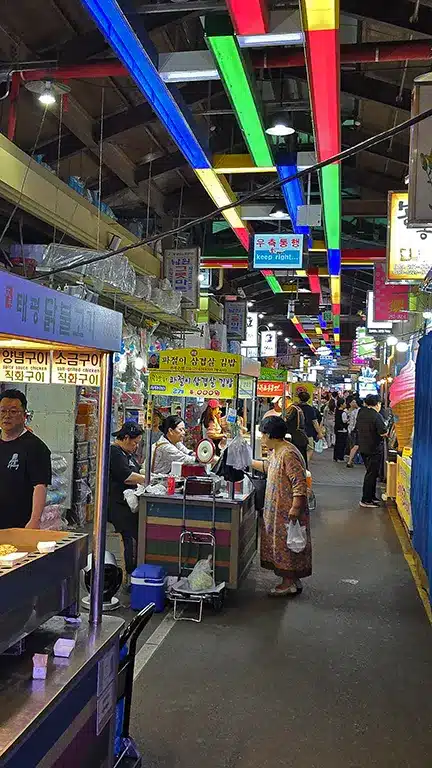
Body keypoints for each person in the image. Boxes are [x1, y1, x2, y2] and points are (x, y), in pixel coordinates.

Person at [252, 416, 311, 597]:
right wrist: (246, 461)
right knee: (283, 544)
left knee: (287, 545)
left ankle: (288, 583)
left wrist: (295, 508)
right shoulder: (277, 450)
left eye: (263, 435)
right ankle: (292, 579)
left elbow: (299, 483)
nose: (262, 439)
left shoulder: (288, 453)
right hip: (276, 510)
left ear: (270, 435)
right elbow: (269, 467)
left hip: (286, 511)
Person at [0, 389, 51, 529]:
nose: (6, 416)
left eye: (13, 411)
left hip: (18, 526)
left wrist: (35, 520)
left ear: (24, 415)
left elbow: (40, 486)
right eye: (3, 411)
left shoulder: (35, 447)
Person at [108, 421, 146, 576]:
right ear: (126, 438)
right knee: (131, 536)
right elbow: (127, 477)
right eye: (135, 443)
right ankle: (131, 574)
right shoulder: (115, 453)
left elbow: (136, 469)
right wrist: (147, 478)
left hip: (126, 503)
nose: (136, 446)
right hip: (117, 506)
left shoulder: (126, 453)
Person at [356, 394, 388, 508]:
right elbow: (383, 432)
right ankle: (366, 500)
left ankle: (372, 496)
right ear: (377, 404)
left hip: (363, 447)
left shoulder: (361, 413)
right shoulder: (376, 415)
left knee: (371, 473)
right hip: (374, 448)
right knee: (371, 474)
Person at [297, 390, 324, 464]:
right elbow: (315, 422)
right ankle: (305, 463)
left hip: (296, 433)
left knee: (298, 450)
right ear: (308, 399)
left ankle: (299, 463)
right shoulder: (311, 409)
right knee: (310, 449)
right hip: (308, 433)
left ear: (299, 398)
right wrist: (319, 433)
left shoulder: (295, 408)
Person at [285, 403, 309, 467]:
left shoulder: (293, 409)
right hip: (301, 437)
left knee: (297, 460)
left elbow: (288, 423)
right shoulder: (298, 409)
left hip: (296, 439)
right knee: (302, 459)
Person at [346, 397, 362, 468]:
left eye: (354, 402)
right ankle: (351, 460)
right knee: (355, 445)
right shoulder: (358, 411)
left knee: (353, 445)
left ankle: (353, 460)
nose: (352, 403)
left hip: (352, 430)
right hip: (356, 430)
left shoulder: (354, 411)